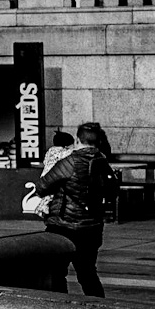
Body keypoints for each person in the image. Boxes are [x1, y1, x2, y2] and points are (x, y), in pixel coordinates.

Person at [35, 121, 113, 297]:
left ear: (77, 140)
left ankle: (61, 308)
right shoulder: (102, 161)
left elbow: (42, 186)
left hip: (63, 226)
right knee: (87, 273)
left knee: (56, 272)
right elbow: (113, 190)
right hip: (92, 227)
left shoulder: (69, 162)